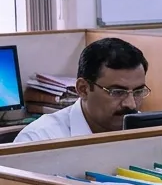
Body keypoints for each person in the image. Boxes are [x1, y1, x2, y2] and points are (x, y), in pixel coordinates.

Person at [14, 38, 150, 143]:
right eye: (117, 92)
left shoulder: (150, 131)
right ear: (83, 89)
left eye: (138, 92)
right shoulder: (38, 139)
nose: (131, 104)